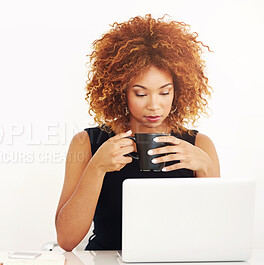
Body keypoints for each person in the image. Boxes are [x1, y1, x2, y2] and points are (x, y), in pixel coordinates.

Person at [55, 14, 221, 252]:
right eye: (141, 94)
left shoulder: (199, 145)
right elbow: (67, 240)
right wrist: (97, 167)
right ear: (121, 91)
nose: (154, 105)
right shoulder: (87, 143)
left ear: (179, 90)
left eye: (164, 92)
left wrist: (205, 167)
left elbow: (215, 237)